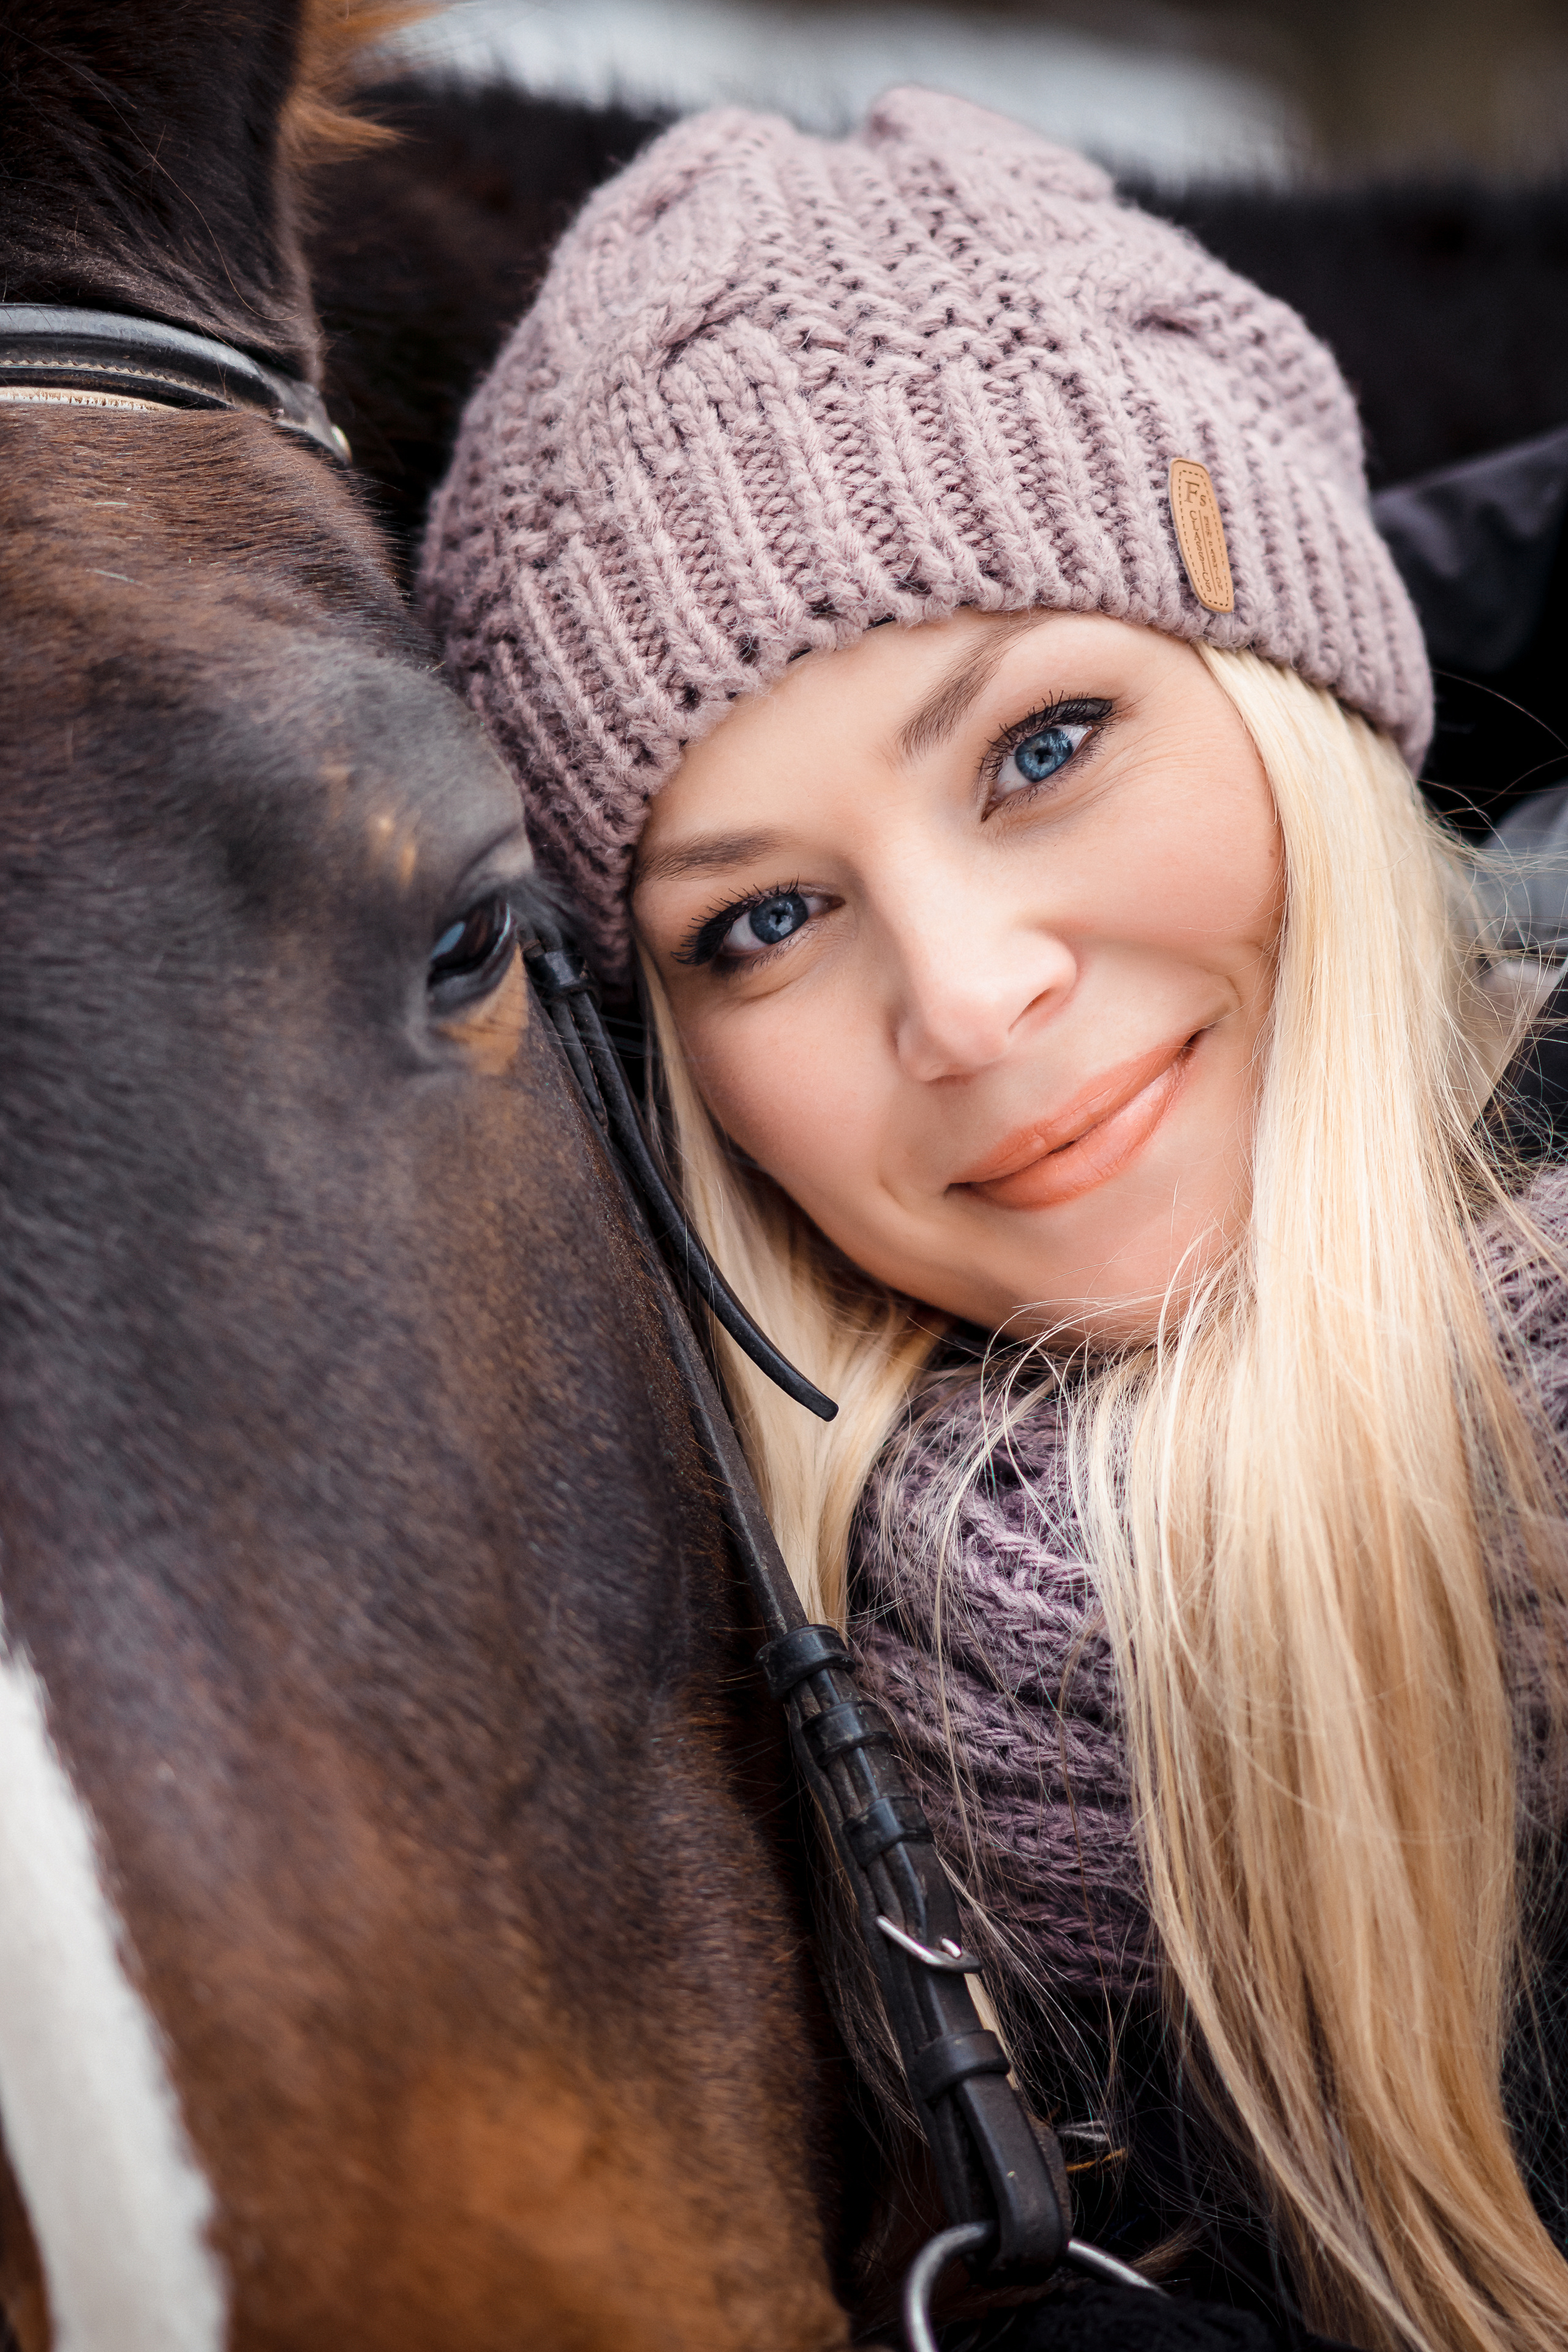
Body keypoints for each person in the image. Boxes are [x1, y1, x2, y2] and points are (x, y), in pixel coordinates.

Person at [421, 88, 1568, 2352]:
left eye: (1042, 747)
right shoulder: (733, 1844)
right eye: (759, 919)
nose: (963, 999)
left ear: (1300, 695)